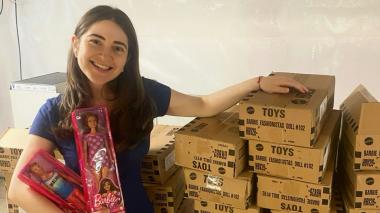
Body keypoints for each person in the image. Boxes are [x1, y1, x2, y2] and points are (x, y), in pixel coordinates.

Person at [8, 5, 308, 213]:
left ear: (127, 58)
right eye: (95, 42)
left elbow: (203, 104)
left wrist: (257, 82)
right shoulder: (54, 111)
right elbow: (18, 189)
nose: (104, 55)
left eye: (118, 47)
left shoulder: (142, 95)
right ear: (76, 45)